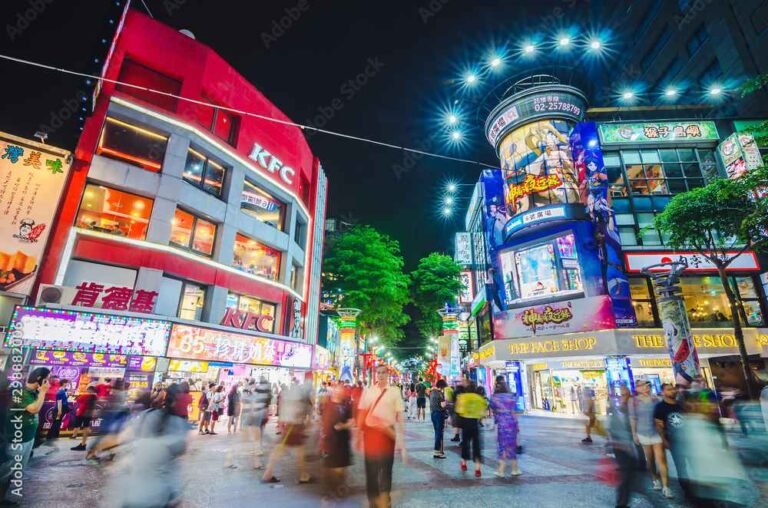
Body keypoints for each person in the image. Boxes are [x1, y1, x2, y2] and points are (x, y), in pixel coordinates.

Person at [104, 383, 189, 508]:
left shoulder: (146, 415)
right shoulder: (178, 424)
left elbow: (123, 438)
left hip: (134, 492)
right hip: (159, 495)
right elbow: (178, 456)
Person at [357, 364, 406, 508]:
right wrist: (359, 436)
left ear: (388, 374)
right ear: (375, 374)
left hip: (387, 434)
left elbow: (399, 415)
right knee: (371, 470)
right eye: (378, 372)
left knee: (385, 469)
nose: (381, 375)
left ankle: (385, 499)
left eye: (383, 372)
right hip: (370, 434)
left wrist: (401, 439)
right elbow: (361, 414)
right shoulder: (368, 391)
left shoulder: (394, 391)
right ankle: (373, 500)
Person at [0, 367, 50, 504]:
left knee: (14, 472)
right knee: (5, 472)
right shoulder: (19, 392)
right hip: (16, 440)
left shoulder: (33, 393)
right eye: (48, 379)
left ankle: (2, 498)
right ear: (41, 379)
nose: (49, 383)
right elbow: (34, 409)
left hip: (28, 439)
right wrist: (43, 392)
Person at [262, 375, 314, 484]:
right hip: (294, 426)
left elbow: (284, 408)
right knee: (283, 450)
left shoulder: (292, 394)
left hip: (290, 425)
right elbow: (306, 410)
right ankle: (269, 474)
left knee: (293, 450)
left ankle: (302, 474)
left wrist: (282, 422)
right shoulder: (303, 396)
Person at [608, 384, 647, 508]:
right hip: (621, 447)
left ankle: (624, 500)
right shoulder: (615, 409)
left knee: (630, 474)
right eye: (620, 395)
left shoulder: (630, 407)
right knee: (625, 476)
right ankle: (621, 503)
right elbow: (611, 429)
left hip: (631, 446)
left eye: (625, 395)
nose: (622, 398)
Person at [630, 379, 669, 496]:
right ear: (637, 388)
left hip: (656, 433)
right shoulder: (633, 402)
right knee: (650, 460)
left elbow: (662, 415)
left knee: (661, 459)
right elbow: (633, 418)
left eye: (647, 386)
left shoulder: (656, 399)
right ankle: (654, 478)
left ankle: (666, 487)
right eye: (642, 386)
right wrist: (634, 434)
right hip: (643, 433)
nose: (645, 388)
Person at [322, 383, 354, 498]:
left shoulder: (346, 405)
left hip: (344, 441)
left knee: (343, 466)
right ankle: (332, 489)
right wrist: (346, 425)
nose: (339, 393)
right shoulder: (329, 406)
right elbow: (336, 426)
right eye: (337, 390)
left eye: (341, 391)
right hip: (332, 442)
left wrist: (345, 425)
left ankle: (340, 487)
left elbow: (351, 421)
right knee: (333, 467)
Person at [654, 383, 684, 500]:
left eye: (673, 389)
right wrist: (664, 440)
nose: (672, 391)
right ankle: (686, 489)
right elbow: (658, 426)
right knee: (681, 466)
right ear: (663, 392)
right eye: (668, 389)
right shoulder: (660, 407)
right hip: (673, 440)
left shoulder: (681, 405)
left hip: (685, 439)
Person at [490, 376, 521, 477]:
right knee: (512, 445)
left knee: (502, 446)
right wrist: (517, 424)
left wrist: (494, 422)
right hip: (512, 423)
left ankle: (501, 470)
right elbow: (514, 411)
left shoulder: (494, 397)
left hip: (502, 425)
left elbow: (493, 411)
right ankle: (514, 469)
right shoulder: (511, 396)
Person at [455, 381, 487, 477]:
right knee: (476, 446)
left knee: (465, 444)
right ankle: (477, 469)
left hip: (465, 423)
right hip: (475, 424)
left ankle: (464, 463)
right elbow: (483, 413)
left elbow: (458, 410)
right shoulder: (479, 398)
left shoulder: (462, 397)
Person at [71, 386, 97, 451]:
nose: (87, 391)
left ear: (90, 390)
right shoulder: (94, 396)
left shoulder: (88, 396)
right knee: (86, 428)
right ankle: (83, 444)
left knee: (85, 428)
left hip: (84, 413)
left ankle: (83, 444)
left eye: (88, 390)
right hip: (87, 414)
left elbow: (78, 400)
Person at [429, 379, 447, 459]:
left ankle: (438, 451)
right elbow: (443, 405)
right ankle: (437, 451)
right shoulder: (440, 394)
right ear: (442, 386)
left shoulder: (432, 392)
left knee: (437, 432)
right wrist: (446, 404)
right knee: (439, 433)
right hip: (439, 414)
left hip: (433, 413)